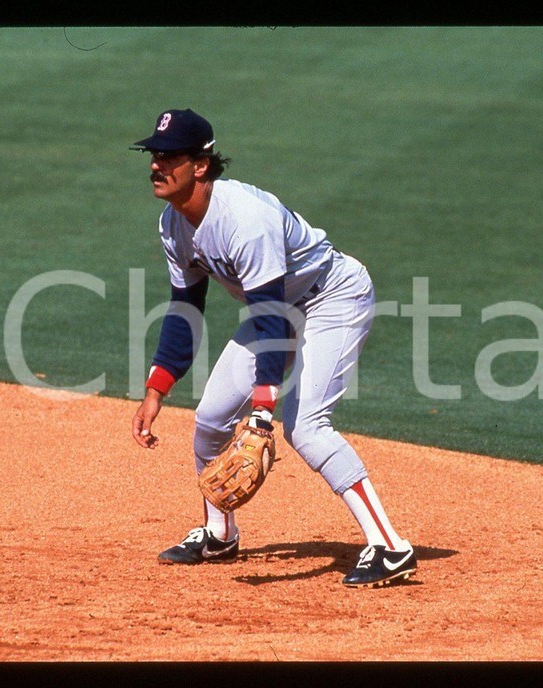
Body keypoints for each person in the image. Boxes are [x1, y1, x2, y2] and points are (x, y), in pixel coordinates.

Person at [129, 108, 416, 587]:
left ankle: (389, 545)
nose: (156, 165)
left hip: (331, 298)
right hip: (280, 307)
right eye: (153, 155)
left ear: (199, 165)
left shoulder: (243, 218)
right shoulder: (172, 224)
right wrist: (157, 388)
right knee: (210, 419)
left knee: (305, 427)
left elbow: (270, 319)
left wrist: (263, 408)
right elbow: (185, 308)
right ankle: (220, 534)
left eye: (168, 156)